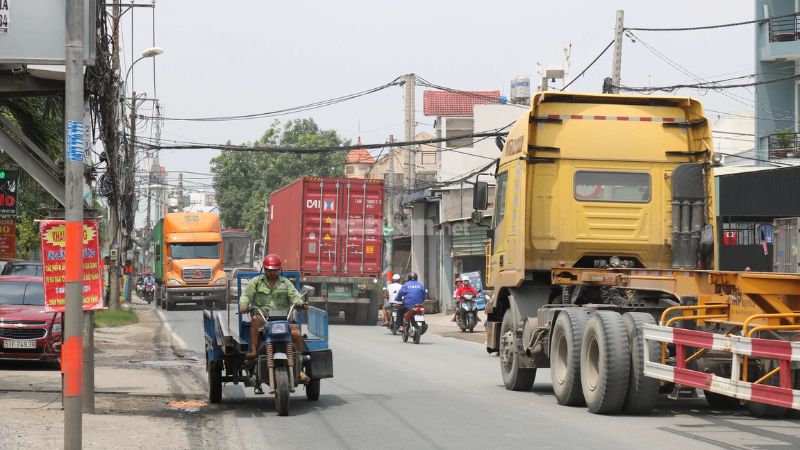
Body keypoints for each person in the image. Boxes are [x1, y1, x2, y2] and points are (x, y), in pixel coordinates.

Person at [239, 254, 308, 381]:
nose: (272, 272)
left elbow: (295, 295)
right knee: (254, 320)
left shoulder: (285, 283)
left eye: (275, 270)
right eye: (269, 270)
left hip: (283, 319)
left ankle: (299, 365)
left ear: (279, 270)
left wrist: (301, 303)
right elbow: (245, 296)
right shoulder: (256, 282)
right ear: (264, 269)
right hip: (263, 318)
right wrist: (244, 305)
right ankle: (254, 351)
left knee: (297, 334)